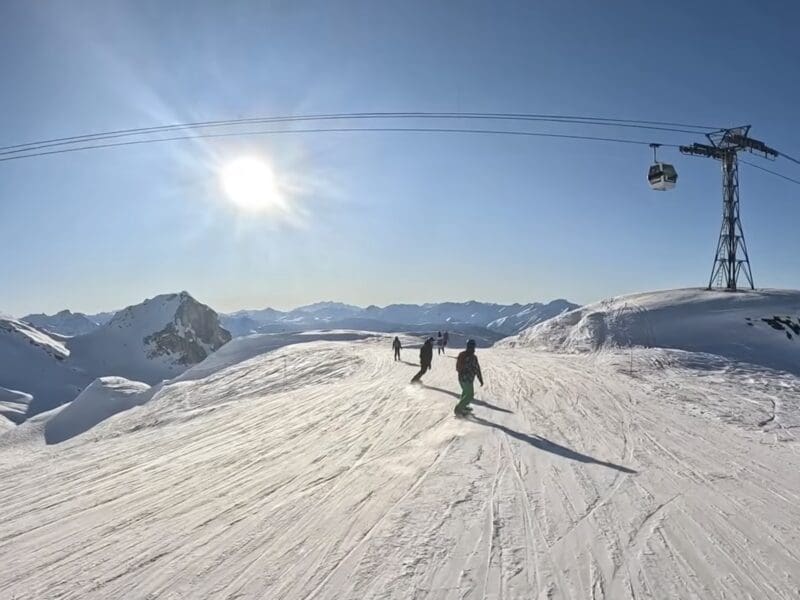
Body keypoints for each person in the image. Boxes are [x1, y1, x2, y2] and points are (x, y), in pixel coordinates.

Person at [454, 339, 484, 416]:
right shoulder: (473, 357)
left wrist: (462, 372)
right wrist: (480, 379)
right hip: (468, 379)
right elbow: (477, 369)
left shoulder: (462, 354)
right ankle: (459, 409)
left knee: (465, 392)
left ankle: (463, 406)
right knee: (469, 395)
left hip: (461, 378)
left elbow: (457, 367)